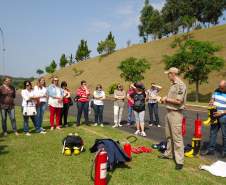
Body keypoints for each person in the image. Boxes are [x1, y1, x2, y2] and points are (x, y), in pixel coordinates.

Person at [159, 67, 187, 170]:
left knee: (177, 138)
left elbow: (179, 101)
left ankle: (179, 161)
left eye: (168, 74)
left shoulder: (180, 85)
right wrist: (164, 100)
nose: (168, 76)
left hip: (176, 114)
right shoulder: (173, 85)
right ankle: (168, 154)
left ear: (173, 74)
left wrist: (166, 99)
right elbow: (172, 99)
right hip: (169, 112)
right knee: (169, 136)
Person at [201, 80, 226, 158]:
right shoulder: (216, 90)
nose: (219, 88)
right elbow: (213, 98)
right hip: (214, 115)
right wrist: (211, 102)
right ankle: (210, 150)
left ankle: (224, 151)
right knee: (213, 133)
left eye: (221, 88)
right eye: (219, 87)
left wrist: (221, 113)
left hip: (223, 116)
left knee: (224, 135)